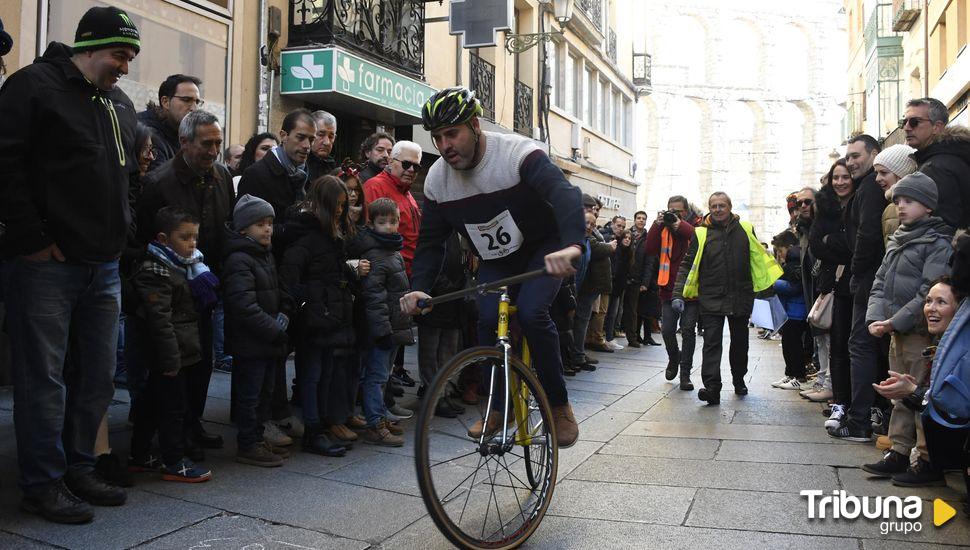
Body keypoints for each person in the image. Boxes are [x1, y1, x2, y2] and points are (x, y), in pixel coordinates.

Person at [0, 5, 140, 523]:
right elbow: (5, 165)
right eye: (118, 54)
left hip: (102, 265)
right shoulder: (33, 87)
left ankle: (80, 467)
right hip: (46, 265)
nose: (125, 66)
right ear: (88, 47)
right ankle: (42, 483)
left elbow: (127, 176)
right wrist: (31, 238)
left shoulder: (116, 102)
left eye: (129, 56)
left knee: (98, 377)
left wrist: (122, 229)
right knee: (44, 379)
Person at [401, 86, 584, 448]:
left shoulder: (516, 153)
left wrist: (572, 246)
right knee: (486, 320)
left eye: (452, 133)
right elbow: (431, 242)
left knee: (531, 313)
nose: (444, 144)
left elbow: (564, 194)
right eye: (437, 137)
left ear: (474, 125)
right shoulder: (438, 179)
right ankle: (497, 406)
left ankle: (559, 405)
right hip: (498, 258)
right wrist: (418, 285)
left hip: (544, 248)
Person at [137, 109, 232, 457]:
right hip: (168, 290)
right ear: (184, 142)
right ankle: (165, 434)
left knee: (202, 360)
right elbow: (143, 239)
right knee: (170, 366)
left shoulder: (222, 176)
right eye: (206, 143)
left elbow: (224, 229)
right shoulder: (158, 183)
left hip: (203, 288)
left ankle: (192, 423)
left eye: (218, 143)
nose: (213, 150)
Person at [855, 173, 952, 458]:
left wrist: (894, 321)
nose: (901, 206)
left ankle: (922, 456)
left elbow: (926, 292)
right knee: (898, 391)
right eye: (898, 201)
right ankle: (898, 449)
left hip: (919, 331)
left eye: (909, 201)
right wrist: (875, 318)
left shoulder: (937, 242)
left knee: (918, 391)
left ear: (928, 206)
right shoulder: (897, 239)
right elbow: (880, 282)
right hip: (894, 329)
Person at [128, 207, 214, 483]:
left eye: (195, 237)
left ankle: (139, 455)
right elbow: (159, 321)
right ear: (163, 239)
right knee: (171, 408)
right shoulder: (156, 270)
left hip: (180, 350)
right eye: (185, 237)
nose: (192, 244)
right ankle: (174, 460)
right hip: (168, 355)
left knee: (153, 403)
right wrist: (170, 359)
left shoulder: (186, 265)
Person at [672, 192, 783, 405]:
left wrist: (766, 292)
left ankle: (739, 378)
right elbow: (687, 264)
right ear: (709, 208)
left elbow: (757, 260)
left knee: (740, 342)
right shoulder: (701, 233)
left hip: (740, 296)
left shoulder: (746, 229)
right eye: (713, 206)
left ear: (730, 207)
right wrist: (678, 293)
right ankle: (712, 388)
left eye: (722, 205)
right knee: (711, 343)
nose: (717, 209)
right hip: (711, 296)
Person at [279, 176, 358, 457]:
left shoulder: (330, 235)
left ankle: (320, 425)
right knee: (312, 374)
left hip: (328, 313)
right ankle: (313, 429)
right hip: (314, 316)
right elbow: (292, 275)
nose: (340, 211)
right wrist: (307, 302)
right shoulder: (307, 235)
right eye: (336, 205)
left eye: (343, 206)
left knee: (324, 372)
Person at [873, 275, 967, 493]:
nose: (931, 309)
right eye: (928, 301)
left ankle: (929, 463)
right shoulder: (941, 343)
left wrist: (913, 392)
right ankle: (907, 455)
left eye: (941, 302)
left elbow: (956, 407)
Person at [224, 195, 293, 467]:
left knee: (264, 394)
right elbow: (243, 304)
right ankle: (247, 443)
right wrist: (272, 329)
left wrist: (284, 314)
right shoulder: (240, 259)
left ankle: (257, 436)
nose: (267, 229)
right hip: (252, 342)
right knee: (250, 395)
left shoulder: (264, 254)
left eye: (270, 223)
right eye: (260, 224)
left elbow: (275, 292)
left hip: (267, 340)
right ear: (243, 229)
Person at [350, 198, 414, 446]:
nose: (389, 227)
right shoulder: (375, 254)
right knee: (375, 377)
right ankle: (375, 423)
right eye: (382, 222)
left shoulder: (393, 251)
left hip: (393, 326)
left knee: (383, 375)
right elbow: (374, 298)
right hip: (381, 330)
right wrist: (383, 331)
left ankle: (379, 418)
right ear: (372, 223)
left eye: (393, 221)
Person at [839, 134, 890, 441]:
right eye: (848, 157)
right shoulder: (868, 187)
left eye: (857, 155)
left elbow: (867, 235)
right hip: (873, 278)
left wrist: (856, 272)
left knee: (861, 346)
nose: (851, 161)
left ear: (874, 154)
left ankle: (860, 420)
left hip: (869, 280)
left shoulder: (870, 188)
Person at [809, 159, 857, 427]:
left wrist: (834, 242)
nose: (840, 182)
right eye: (835, 177)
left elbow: (853, 244)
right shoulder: (825, 207)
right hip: (834, 283)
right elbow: (817, 245)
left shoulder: (861, 202)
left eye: (845, 176)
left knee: (854, 345)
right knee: (837, 343)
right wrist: (835, 244)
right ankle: (840, 400)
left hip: (853, 280)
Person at [239, 109, 317, 248]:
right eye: (300, 137)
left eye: (311, 139)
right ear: (283, 136)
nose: (307, 146)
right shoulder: (256, 174)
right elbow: (246, 228)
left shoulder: (307, 175)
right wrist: (289, 229)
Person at [645, 195, 697, 390]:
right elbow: (650, 249)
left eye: (678, 211)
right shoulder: (662, 228)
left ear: (685, 212)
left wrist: (679, 224)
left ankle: (685, 374)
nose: (674, 214)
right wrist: (657, 225)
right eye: (671, 210)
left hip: (690, 290)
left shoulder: (694, 225)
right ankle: (674, 357)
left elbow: (696, 238)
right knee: (667, 330)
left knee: (688, 331)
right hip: (668, 289)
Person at [904, 97, 970, 230]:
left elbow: (940, 228)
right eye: (903, 122)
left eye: (914, 122)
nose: (906, 128)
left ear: (936, 127)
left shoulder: (936, 167)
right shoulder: (949, 156)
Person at [575, 206, 616, 365]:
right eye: (587, 223)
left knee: (583, 320)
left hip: (585, 287)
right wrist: (608, 247)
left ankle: (578, 355)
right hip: (578, 288)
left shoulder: (588, 237)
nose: (590, 226)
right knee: (577, 322)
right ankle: (576, 356)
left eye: (593, 224)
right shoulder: (578, 238)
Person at [137, 74, 203, 172]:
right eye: (186, 100)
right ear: (165, 102)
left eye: (197, 102)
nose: (194, 108)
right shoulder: (146, 133)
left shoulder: (184, 133)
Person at [771, 229, 810, 390]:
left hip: (797, 310)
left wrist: (774, 284)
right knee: (789, 343)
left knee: (793, 344)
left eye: (780, 251)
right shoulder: (794, 259)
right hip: (793, 309)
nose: (780, 255)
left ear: (789, 246)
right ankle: (791, 374)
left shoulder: (795, 260)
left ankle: (797, 376)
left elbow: (795, 287)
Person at [872, 144, 917, 244]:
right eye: (877, 173)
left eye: (883, 172)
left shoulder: (895, 208)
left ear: (902, 173)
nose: (877, 179)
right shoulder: (893, 203)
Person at [623, 211, 652, 348]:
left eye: (643, 219)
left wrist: (645, 282)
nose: (641, 220)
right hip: (622, 276)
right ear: (634, 220)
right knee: (615, 309)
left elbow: (649, 262)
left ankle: (632, 337)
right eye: (639, 218)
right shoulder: (627, 234)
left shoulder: (648, 239)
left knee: (632, 310)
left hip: (636, 279)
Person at [604, 228, 633, 348]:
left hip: (619, 287)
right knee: (607, 312)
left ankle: (609, 337)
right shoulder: (616, 250)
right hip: (611, 285)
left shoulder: (629, 253)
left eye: (629, 238)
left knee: (613, 313)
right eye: (625, 237)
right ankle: (606, 337)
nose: (627, 240)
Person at [307, 110, 338, 181]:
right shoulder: (298, 163)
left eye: (331, 137)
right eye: (321, 135)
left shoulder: (332, 166)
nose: (327, 142)